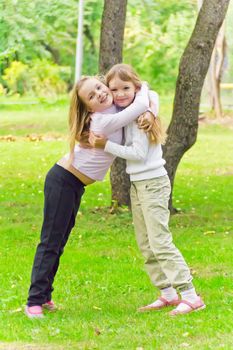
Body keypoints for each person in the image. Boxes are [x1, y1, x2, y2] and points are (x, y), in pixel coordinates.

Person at [25, 75, 152, 318]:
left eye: (99, 88)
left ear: (105, 84)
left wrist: (150, 109)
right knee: (51, 241)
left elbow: (146, 105)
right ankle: (33, 302)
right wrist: (142, 85)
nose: (99, 94)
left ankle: (45, 295)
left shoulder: (116, 108)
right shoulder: (103, 120)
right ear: (89, 107)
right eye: (91, 96)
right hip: (63, 180)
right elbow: (140, 104)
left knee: (59, 241)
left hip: (73, 185)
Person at [89, 64, 206, 316]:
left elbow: (138, 153)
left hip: (153, 182)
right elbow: (149, 93)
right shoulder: (132, 109)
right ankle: (167, 293)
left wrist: (105, 144)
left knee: (160, 241)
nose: (119, 94)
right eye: (114, 89)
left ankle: (190, 295)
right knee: (145, 242)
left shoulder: (138, 116)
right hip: (138, 184)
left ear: (136, 87)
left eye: (125, 88)